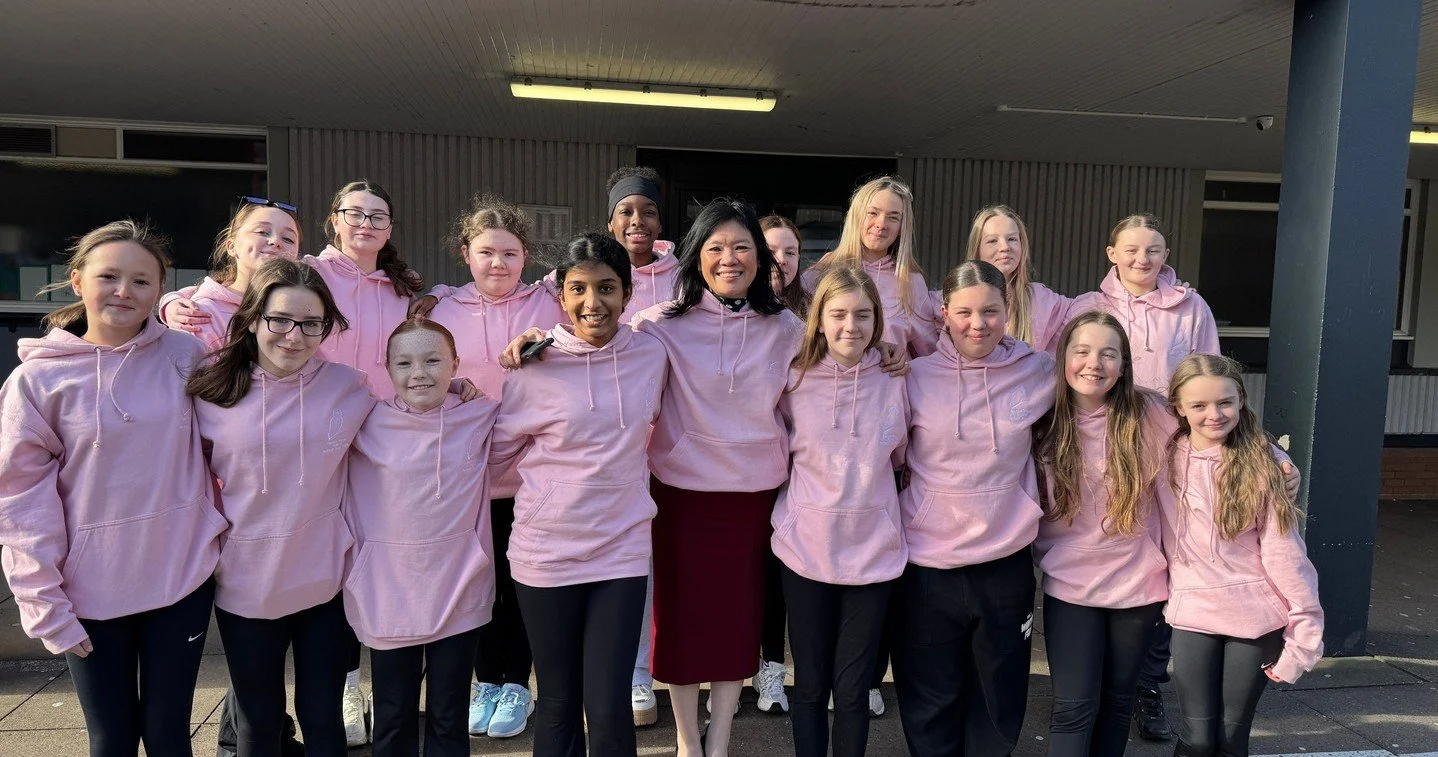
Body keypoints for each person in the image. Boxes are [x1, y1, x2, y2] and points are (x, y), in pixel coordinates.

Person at [0, 220, 226, 757]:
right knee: (112, 740)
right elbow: (19, 502)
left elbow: (241, 427)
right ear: (78, 281)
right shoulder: (37, 383)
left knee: (170, 737)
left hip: (182, 579)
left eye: (141, 281)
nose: (124, 291)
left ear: (159, 291)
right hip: (91, 594)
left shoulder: (186, 357)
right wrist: (43, 602)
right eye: (109, 276)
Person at [186, 258, 373, 757]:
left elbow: (403, 429)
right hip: (246, 580)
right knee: (259, 720)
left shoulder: (348, 386)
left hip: (325, 577)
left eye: (312, 324)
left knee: (323, 715)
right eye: (280, 320)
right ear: (252, 319)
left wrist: (458, 396)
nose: (295, 336)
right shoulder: (212, 390)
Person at [490, 232, 667, 756]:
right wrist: (459, 393)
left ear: (628, 292)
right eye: (579, 289)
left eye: (608, 288)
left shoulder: (652, 356)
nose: (594, 303)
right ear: (562, 296)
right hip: (546, 552)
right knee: (560, 701)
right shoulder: (533, 366)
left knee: (610, 704)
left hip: (622, 549)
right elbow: (498, 453)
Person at [894, 260, 1056, 757]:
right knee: (930, 698)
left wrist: (1262, 451)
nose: (977, 323)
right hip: (926, 566)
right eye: (964, 312)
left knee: (998, 697)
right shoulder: (913, 376)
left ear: (1008, 311)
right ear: (944, 313)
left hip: (1004, 564)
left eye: (990, 311)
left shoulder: (1039, 370)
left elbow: (1117, 399)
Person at [1069, 213, 1221, 739]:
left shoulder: (1191, 306)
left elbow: (1210, 376)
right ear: (1111, 252)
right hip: (1105, 447)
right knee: (1113, 548)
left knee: (1165, 557)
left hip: (1170, 446)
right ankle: (1088, 682)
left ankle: (1147, 683)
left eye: (1153, 250)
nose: (1142, 259)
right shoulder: (1088, 307)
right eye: (1131, 249)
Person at [423, 195, 566, 740]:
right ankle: (485, 679)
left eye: (509, 253)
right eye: (486, 253)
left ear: (526, 255)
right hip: (466, 473)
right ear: (466, 254)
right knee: (477, 579)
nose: (498, 264)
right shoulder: (440, 310)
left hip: (533, 472)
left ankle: (516, 682)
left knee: (523, 580)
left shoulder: (549, 305)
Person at [343, 318, 501, 757]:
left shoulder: (481, 414)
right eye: (404, 363)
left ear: (455, 363)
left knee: (449, 714)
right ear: (387, 369)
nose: (419, 373)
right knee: (392, 715)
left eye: (433, 360)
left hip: (459, 582)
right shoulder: (363, 419)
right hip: (387, 587)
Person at [774, 266, 908, 757]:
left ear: (877, 321)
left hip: (872, 556)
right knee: (809, 685)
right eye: (838, 314)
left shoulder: (897, 380)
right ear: (819, 319)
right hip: (805, 551)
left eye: (863, 315)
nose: (851, 326)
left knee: (853, 692)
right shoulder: (794, 378)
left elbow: (903, 456)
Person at [1161, 354, 1323, 757]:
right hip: (1193, 613)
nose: (1214, 414)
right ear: (1178, 407)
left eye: (1225, 402)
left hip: (1255, 619)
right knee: (1197, 738)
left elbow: (1285, 553)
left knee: (1232, 738)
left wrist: (1304, 631)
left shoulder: (1262, 465)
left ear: (1242, 401)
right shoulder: (1162, 458)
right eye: (1198, 405)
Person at [1031, 311, 1170, 757]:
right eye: (1083, 351)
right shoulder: (1043, 417)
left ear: (1124, 365)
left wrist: (1278, 460)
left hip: (1138, 585)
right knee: (1073, 707)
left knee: (1116, 703)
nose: (1094, 363)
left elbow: (1220, 427)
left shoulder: (1149, 413)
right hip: (1071, 586)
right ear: (1064, 358)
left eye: (1108, 354)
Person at [804, 176, 942, 359]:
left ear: (902, 227)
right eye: (873, 213)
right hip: (829, 384)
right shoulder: (823, 271)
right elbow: (800, 339)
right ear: (857, 216)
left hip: (889, 385)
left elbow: (928, 355)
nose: (881, 224)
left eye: (893, 217)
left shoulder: (910, 282)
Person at [164, 198, 303, 350]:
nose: (276, 241)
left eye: (288, 239)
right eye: (262, 232)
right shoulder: (201, 314)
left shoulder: (305, 307)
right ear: (231, 246)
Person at [964, 205, 1073, 354]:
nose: (1005, 247)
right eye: (992, 241)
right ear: (977, 249)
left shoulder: (1042, 299)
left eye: (1012, 239)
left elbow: (1096, 308)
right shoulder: (951, 300)